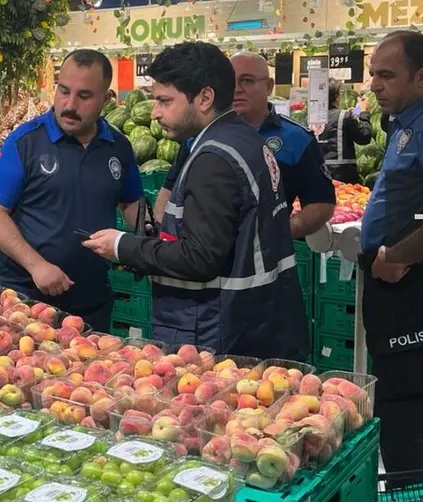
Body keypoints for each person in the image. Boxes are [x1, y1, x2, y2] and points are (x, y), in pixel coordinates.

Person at [83, 42, 308, 360]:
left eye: (165, 101)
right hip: (255, 320)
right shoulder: (243, 139)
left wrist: (122, 246)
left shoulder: (213, 158)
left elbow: (200, 258)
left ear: (204, 98)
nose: (155, 112)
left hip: (216, 331)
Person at [0, 49, 143, 332]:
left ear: (106, 99)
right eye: (64, 91)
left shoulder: (118, 146)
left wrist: (152, 243)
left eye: (84, 96)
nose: (69, 104)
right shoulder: (25, 142)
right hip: (26, 303)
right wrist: (36, 265)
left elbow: (131, 203)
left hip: (91, 302)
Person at [357, 30, 423, 474]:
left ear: (422, 77)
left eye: (386, 75)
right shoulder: (405, 122)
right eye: (373, 74)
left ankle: (411, 492)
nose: (374, 85)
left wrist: (401, 254)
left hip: (411, 286)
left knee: (402, 413)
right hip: (396, 283)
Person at [156, 53, 336, 238]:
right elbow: (169, 190)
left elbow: (322, 203)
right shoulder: (197, 135)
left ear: (269, 86)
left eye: (247, 80)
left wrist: (280, 232)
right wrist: (165, 237)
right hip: (199, 248)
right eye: (230, 81)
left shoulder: (297, 139)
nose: (236, 89)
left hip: (261, 252)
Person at [315, 79, 373, 183]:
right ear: (336, 97)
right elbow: (364, 137)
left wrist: (352, 113)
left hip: (317, 173)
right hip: (341, 174)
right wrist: (364, 112)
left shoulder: (312, 118)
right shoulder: (344, 116)